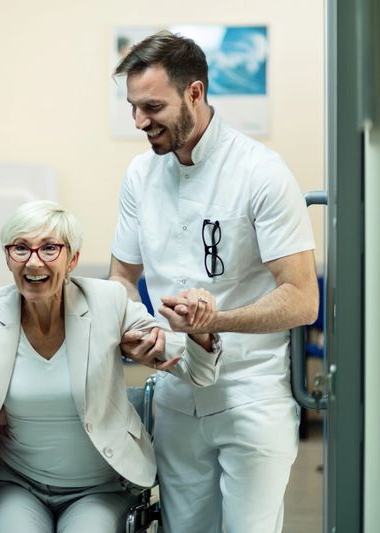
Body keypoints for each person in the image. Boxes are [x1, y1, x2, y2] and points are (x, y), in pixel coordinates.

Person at [0, 201, 221, 533]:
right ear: (8, 258)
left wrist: (199, 332)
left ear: (73, 259)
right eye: (21, 248)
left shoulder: (109, 303)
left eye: (49, 249)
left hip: (99, 488)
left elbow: (199, 371)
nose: (33, 261)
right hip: (18, 486)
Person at [108, 31, 319, 533]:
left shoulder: (260, 172)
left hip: (250, 396)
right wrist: (130, 329)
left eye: (152, 107)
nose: (140, 121)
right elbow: (121, 276)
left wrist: (215, 321)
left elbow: (302, 297)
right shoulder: (140, 176)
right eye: (134, 107)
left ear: (195, 93)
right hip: (176, 399)